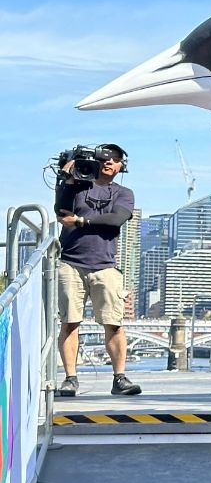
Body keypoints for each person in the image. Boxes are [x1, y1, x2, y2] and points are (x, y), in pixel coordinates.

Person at [54, 143, 141, 396]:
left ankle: (120, 379)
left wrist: (80, 221)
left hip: (106, 265)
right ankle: (70, 379)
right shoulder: (77, 186)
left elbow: (116, 219)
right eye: (104, 158)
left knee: (113, 324)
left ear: (122, 166)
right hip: (71, 262)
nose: (108, 162)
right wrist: (68, 180)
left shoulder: (124, 193)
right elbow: (61, 213)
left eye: (115, 159)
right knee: (70, 323)